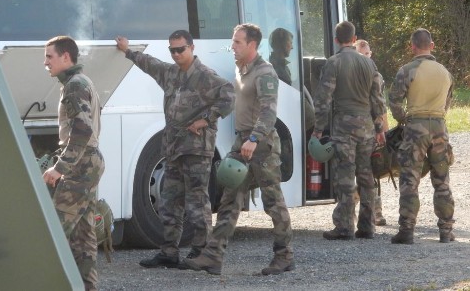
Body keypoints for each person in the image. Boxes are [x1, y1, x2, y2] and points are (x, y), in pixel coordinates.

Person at [115, 30, 235, 266]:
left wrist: (206, 119)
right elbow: (149, 63)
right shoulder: (170, 73)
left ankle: (203, 253)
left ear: (191, 48)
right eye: (172, 50)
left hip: (196, 150)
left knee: (197, 202)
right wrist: (127, 51)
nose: (176, 54)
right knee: (170, 201)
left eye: (181, 49)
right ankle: (169, 252)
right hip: (173, 148)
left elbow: (229, 96)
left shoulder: (205, 76)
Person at [183, 23, 294, 276]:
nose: (232, 47)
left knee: (272, 201)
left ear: (252, 45)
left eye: (237, 42)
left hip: (261, 144)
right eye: (233, 42)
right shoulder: (241, 69)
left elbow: (269, 111)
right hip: (241, 141)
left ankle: (284, 256)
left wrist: (254, 138)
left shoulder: (265, 72)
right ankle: (212, 256)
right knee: (229, 199)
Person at [312, 21, 385, 240]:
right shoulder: (369, 65)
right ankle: (367, 226)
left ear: (336, 40)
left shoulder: (333, 63)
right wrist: (379, 127)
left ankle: (344, 226)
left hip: (343, 126)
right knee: (366, 175)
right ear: (354, 40)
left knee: (344, 174)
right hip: (367, 127)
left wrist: (318, 129)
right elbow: (378, 100)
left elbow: (323, 100)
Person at [42, 36, 105, 291]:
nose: (45, 62)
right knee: (83, 235)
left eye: (49, 56)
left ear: (66, 57)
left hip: (80, 165)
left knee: (54, 232)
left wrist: (60, 168)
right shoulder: (80, 81)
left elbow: (81, 131)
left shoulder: (74, 85)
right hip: (88, 162)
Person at [388, 28, 455, 244]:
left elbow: (395, 101)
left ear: (412, 46)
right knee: (442, 179)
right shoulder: (445, 72)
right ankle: (446, 230)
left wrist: (403, 119)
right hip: (439, 127)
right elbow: (447, 104)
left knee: (409, 178)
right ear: (432, 46)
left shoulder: (407, 70)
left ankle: (406, 230)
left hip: (415, 127)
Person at [355, 39, 389, 226]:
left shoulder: (377, 75)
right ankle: (356, 208)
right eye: (362, 54)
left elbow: (380, 104)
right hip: (357, 127)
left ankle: (376, 211)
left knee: (372, 170)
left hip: (370, 127)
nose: (366, 57)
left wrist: (383, 128)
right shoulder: (351, 73)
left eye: (368, 54)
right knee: (357, 171)